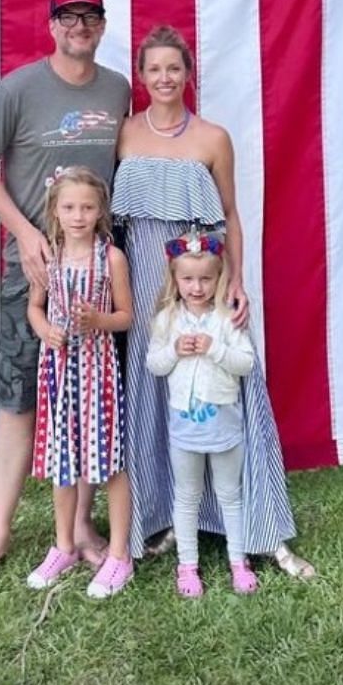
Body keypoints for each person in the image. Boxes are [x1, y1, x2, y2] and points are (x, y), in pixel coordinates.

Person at [0, 0, 131, 586]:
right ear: (51, 25)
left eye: (90, 15)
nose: (79, 25)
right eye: (68, 15)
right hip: (37, 273)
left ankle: (79, 528)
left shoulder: (118, 89)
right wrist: (24, 232)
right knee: (21, 395)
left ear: (101, 25)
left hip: (98, 275)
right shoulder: (18, 89)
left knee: (90, 399)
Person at [112, 24, 315, 579]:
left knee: (231, 387)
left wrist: (237, 282)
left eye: (173, 68)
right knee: (153, 393)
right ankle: (158, 517)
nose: (163, 78)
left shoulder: (213, 138)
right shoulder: (125, 134)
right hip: (151, 288)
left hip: (205, 279)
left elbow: (230, 215)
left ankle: (258, 526)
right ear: (142, 75)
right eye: (153, 69)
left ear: (188, 74)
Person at [27, 169, 134, 598]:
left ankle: (120, 555)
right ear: (55, 209)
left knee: (109, 460)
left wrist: (99, 320)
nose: (78, 216)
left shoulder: (111, 259)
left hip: (98, 371)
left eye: (87, 207)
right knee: (63, 460)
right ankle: (64, 545)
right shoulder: (48, 256)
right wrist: (44, 329)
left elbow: (127, 315)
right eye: (69, 207)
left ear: (100, 211)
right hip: (57, 370)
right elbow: (35, 307)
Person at [147, 236, 257, 596]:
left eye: (205, 279)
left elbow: (246, 364)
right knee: (187, 496)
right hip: (185, 429)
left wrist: (215, 349)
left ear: (218, 278)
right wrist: (175, 351)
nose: (197, 287)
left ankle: (238, 561)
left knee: (230, 494)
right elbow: (154, 365)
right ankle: (187, 566)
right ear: (175, 280)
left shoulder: (227, 319)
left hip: (224, 425)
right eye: (188, 280)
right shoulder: (167, 321)